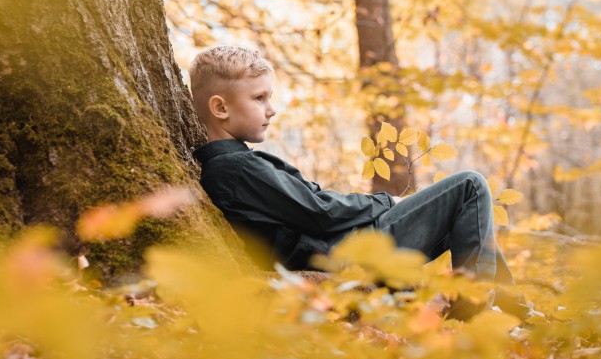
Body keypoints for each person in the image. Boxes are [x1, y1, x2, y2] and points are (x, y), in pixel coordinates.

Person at [188, 45, 516, 291]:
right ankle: (482, 310)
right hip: (350, 253)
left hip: (347, 246)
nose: (271, 110)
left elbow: (310, 204)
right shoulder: (235, 168)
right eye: (259, 98)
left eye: (269, 97)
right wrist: (389, 202)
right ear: (220, 107)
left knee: (468, 216)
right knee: (469, 186)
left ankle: (502, 307)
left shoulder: (236, 166)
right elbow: (319, 210)